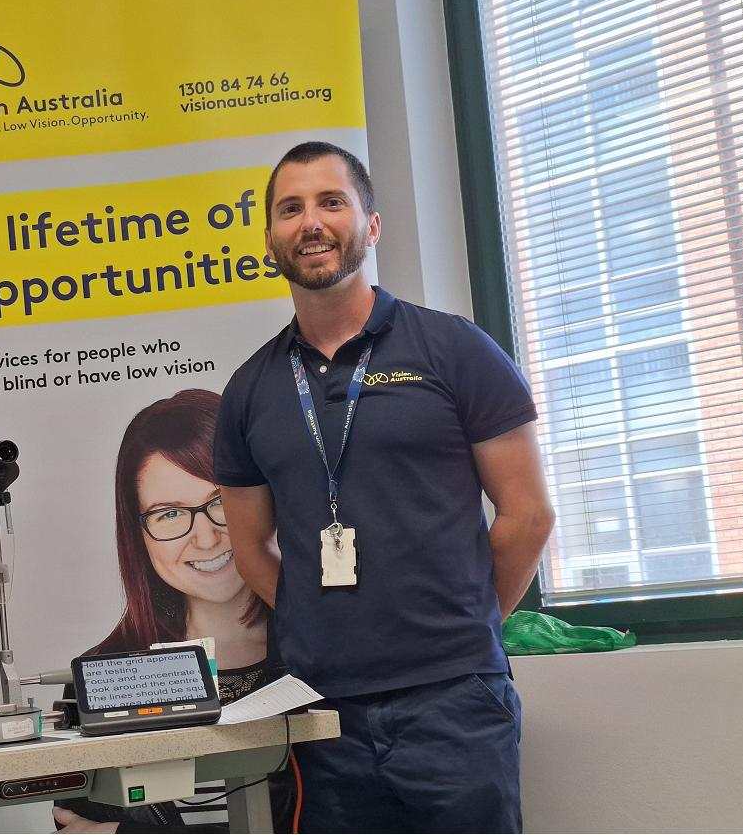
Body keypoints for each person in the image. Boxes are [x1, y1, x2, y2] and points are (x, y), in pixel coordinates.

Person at [212, 142, 555, 833]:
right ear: (271, 239)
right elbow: (250, 548)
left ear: (371, 226)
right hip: (321, 713)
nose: (310, 221)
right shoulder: (250, 390)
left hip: (455, 702)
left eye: (331, 202)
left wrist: (464, 622)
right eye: (291, 208)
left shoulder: (453, 349)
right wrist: (322, 615)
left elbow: (527, 516)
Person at [53, 389, 298, 834]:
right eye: (168, 514)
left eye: (221, 501)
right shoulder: (101, 676)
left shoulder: (325, 654)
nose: (205, 539)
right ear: (137, 533)